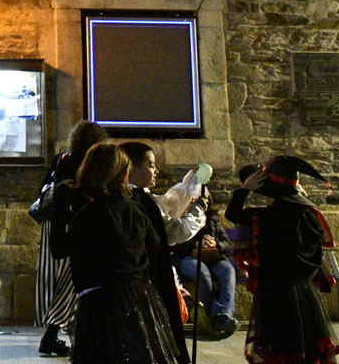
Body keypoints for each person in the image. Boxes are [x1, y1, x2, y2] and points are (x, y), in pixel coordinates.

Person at [57, 142, 179, 364]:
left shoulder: (90, 213)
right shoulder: (136, 209)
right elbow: (155, 246)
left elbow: (59, 249)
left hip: (102, 303)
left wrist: (59, 208)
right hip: (141, 298)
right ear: (123, 176)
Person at [225, 155, 339, 364]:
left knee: (280, 348)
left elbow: (233, 214)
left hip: (276, 292)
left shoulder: (269, 217)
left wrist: (245, 189)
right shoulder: (310, 215)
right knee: (304, 346)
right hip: (304, 292)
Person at [118, 141, 205, 364]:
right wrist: (199, 212)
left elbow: (168, 203)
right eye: (150, 165)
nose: (156, 170)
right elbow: (174, 230)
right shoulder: (140, 200)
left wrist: (189, 184)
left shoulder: (123, 197)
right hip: (146, 283)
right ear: (132, 169)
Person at [34, 120, 108, 357]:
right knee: (70, 282)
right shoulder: (95, 164)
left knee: (53, 279)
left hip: (53, 224)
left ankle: (54, 330)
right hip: (79, 224)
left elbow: (43, 188)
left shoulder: (61, 159)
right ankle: (55, 333)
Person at [172, 190, 238, 338]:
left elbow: (226, 243)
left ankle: (223, 314)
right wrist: (195, 245)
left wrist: (216, 244)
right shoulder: (180, 216)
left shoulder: (213, 218)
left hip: (212, 257)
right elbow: (173, 243)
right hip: (187, 257)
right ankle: (211, 316)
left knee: (227, 270)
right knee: (200, 271)